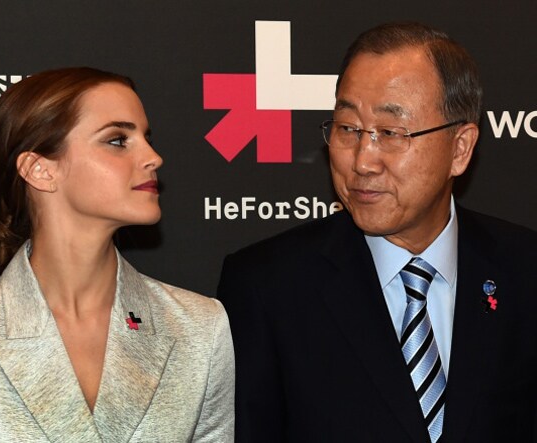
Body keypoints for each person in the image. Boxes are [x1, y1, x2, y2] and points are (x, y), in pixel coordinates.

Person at [217, 22, 537, 442]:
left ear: (460, 148)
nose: (362, 161)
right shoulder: (267, 287)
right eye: (347, 129)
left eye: (390, 133)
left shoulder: (525, 270)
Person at [0, 67, 234, 442]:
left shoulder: (199, 328)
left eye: (146, 138)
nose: (154, 157)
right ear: (40, 170)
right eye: (117, 140)